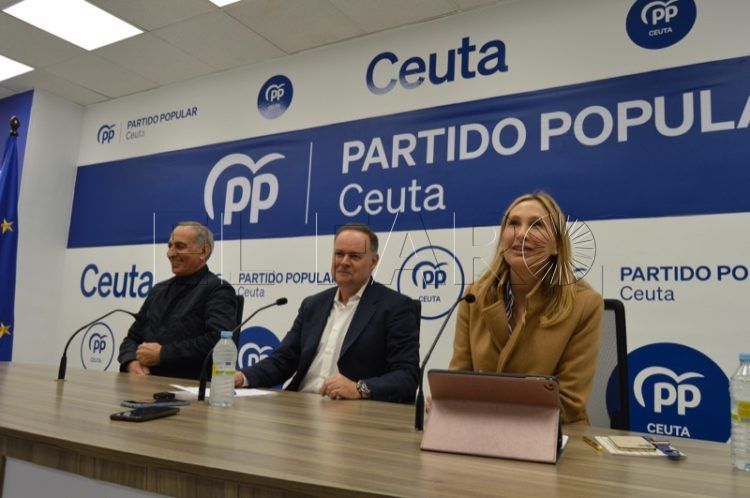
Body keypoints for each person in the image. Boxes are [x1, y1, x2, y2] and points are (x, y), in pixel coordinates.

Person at [450, 192, 602, 424]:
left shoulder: (585, 304)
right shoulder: (475, 295)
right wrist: (448, 401)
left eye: (536, 225)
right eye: (513, 223)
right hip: (480, 427)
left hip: (552, 433)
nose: (521, 234)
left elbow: (569, 403)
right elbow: (458, 380)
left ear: (557, 245)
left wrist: (481, 407)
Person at [235, 223, 420, 404]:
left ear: (373, 262)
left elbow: (407, 375)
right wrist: (242, 377)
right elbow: (283, 360)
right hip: (299, 405)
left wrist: (359, 388)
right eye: (339, 254)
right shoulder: (313, 305)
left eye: (354, 256)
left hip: (351, 411)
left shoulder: (395, 307)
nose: (344, 262)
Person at [118, 221, 237, 379]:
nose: (170, 253)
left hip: (185, 386)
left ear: (203, 251)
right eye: (170, 246)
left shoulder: (217, 290)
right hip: (144, 382)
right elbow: (132, 338)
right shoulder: (158, 290)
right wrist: (131, 362)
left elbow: (219, 341)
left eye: (180, 246)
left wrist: (163, 354)